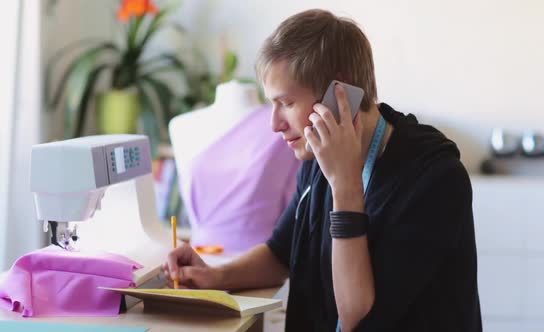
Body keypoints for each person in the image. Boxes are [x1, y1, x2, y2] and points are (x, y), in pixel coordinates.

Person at [163, 9, 482, 332]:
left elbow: (358, 317)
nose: (274, 124)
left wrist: (345, 187)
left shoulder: (435, 179)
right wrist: (216, 276)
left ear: (338, 96)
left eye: (285, 103)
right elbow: (279, 254)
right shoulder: (316, 157)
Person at [169, 80, 300, 252]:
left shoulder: (281, 128)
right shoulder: (182, 126)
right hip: (199, 256)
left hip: (261, 260)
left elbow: (293, 202)